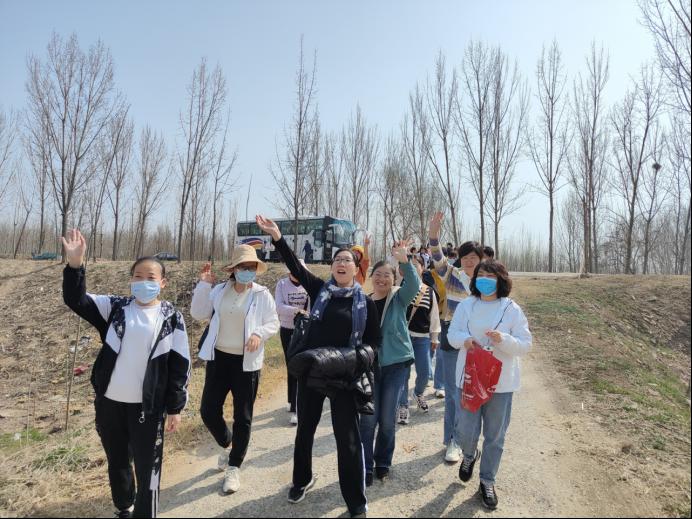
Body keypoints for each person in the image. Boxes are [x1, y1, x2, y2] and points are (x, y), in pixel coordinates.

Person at [256, 214, 381, 519]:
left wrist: (359, 358)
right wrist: (277, 238)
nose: (341, 263)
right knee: (305, 431)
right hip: (314, 372)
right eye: (337, 259)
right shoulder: (320, 290)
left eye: (347, 260)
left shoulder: (366, 303)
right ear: (332, 266)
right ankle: (301, 480)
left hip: (345, 376)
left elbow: (374, 343)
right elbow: (295, 267)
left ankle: (355, 502)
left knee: (347, 440)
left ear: (356, 268)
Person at [61, 229, 190, 519]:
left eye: (151, 277)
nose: (144, 282)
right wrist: (75, 265)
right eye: (138, 276)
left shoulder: (171, 318)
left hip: (148, 408)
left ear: (163, 283)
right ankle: (124, 507)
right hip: (111, 404)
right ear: (131, 280)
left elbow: (180, 365)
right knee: (117, 461)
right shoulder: (115, 308)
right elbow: (75, 299)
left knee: (148, 468)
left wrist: (175, 408)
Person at [191, 246, 280, 494]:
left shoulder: (262, 294)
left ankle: (234, 466)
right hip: (219, 359)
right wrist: (203, 285)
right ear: (234, 269)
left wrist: (258, 334)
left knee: (243, 416)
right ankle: (227, 442)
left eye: (251, 267)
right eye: (243, 267)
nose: (247, 271)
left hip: (246, 363)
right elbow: (198, 313)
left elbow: (273, 322)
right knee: (208, 410)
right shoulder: (219, 290)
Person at [448, 260, 532, 510]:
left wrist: (503, 339)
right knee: (466, 430)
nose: (485, 279)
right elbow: (452, 335)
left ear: (501, 279)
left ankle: (487, 480)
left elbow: (525, 344)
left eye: (491, 275)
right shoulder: (467, 305)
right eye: (481, 274)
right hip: (469, 380)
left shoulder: (511, 309)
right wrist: (466, 340)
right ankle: (470, 454)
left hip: (500, 384)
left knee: (495, 435)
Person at [360, 243, 421, 485]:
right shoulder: (363, 301)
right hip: (369, 368)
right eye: (378, 274)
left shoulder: (398, 299)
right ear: (371, 278)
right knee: (368, 420)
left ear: (394, 279)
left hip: (396, 366)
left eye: (387, 275)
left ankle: (383, 462)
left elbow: (414, 285)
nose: (382, 279)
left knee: (386, 419)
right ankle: (365, 466)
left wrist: (405, 261)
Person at [428, 211, 483, 463]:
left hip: (478, 343)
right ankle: (453, 440)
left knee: (474, 393)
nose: (469, 261)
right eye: (466, 257)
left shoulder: (487, 282)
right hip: (453, 339)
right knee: (453, 393)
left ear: (481, 259)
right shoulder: (451, 274)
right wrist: (433, 235)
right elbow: (437, 257)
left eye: (474, 257)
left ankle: (469, 438)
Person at [397, 256, 441, 425]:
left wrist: (434, 337)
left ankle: (418, 393)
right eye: (410, 265)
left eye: (416, 265)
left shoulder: (429, 291)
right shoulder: (399, 287)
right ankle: (403, 405)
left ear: (423, 268)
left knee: (424, 372)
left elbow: (434, 315)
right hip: (403, 337)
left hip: (422, 338)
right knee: (404, 373)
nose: (413, 268)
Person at [275, 260, 310, 425]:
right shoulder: (282, 285)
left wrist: (305, 314)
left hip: (304, 330)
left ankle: (297, 408)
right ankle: (291, 399)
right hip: (287, 329)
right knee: (291, 365)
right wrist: (296, 310)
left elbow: (313, 307)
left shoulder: (308, 284)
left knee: (300, 367)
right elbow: (279, 307)